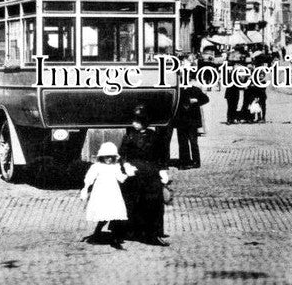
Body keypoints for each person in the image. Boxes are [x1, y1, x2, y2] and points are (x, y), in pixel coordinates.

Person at [119, 105, 170, 246]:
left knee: (154, 203)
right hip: (134, 173)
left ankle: (154, 233)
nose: (134, 124)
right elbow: (122, 153)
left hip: (151, 173)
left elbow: (162, 154)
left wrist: (163, 170)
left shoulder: (154, 136)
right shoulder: (129, 136)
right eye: (134, 121)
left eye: (137, 121)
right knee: (133, 202)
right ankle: (131, 231)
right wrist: (126, 165)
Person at [80, 141, 128, 248]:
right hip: (101, 193)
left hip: (113, 193)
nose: (109, 159)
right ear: (102, 157)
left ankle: (114, 240)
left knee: (115, 214)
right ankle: (97, 233)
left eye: (111, 157)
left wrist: (128, 173)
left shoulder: (115, 166)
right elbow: (89, 178)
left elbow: (121, 178)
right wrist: (85, 188)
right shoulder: (97, 167)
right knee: (104, 214)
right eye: (106, 157)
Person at [173, 84, 209, 168]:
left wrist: (196, 101)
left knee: (193, 142)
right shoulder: (178, 90)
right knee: (182, 142)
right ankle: (185, 162)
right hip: (181, 120)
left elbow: (206, 99)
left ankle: (196, 162)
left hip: (192, 121)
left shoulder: (195, 89)